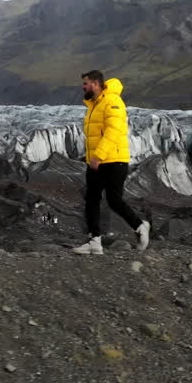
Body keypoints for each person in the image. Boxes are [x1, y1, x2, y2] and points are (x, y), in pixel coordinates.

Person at [72, 70, 150, 255]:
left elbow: (113, 131)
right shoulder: (94, 104)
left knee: (114, 200)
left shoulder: (112, 101)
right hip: (97, 159)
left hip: (114, 160)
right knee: (92, 199)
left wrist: (98, 156)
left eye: (86, 83)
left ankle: (140, 226)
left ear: (96, 84)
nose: (83, 87)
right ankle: (94, 241)